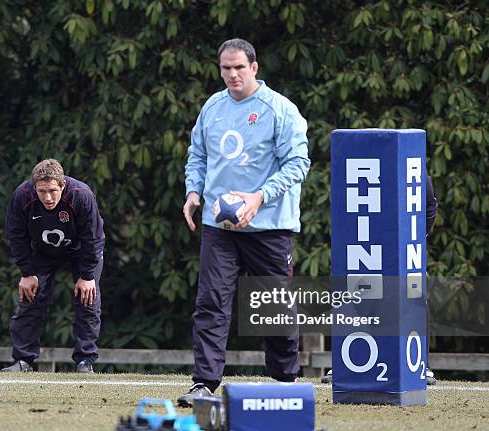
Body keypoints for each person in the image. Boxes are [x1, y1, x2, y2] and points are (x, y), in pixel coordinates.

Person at [178, 38, 311, 407]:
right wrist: (193, 192)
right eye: (226, 68)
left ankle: (285, 381)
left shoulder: (279, 109)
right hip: (219, 227)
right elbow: (198, 155)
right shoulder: (213, 107)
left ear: (254, 67)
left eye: (239, 67)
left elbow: (299, 164)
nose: (232, 74)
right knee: (211, 301)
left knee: (274, 305)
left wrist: (258, 196)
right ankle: (204, 382)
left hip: (268, 226)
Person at [321, 174, 438, 384]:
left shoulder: (416, 172)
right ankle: (343, 363)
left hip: (401, 249)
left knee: (414, 298)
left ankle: (422, 365)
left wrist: (416, 236)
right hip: (365, 245)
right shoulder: (359, 169)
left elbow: (429, 207)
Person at [1, 159, 105, 373]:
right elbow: (16, 235)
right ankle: (23, 361)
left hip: (81, 251)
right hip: (43, 251)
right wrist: (27, 273)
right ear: (34, 187)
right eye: (42, 191)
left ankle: (85, 362)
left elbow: (93, 237)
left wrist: (87, 275)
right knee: (30, 298)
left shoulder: (81, 195)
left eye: (52, 191)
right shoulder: (22, 196)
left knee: (88, 300)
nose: (47, 198)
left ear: (62, 186)